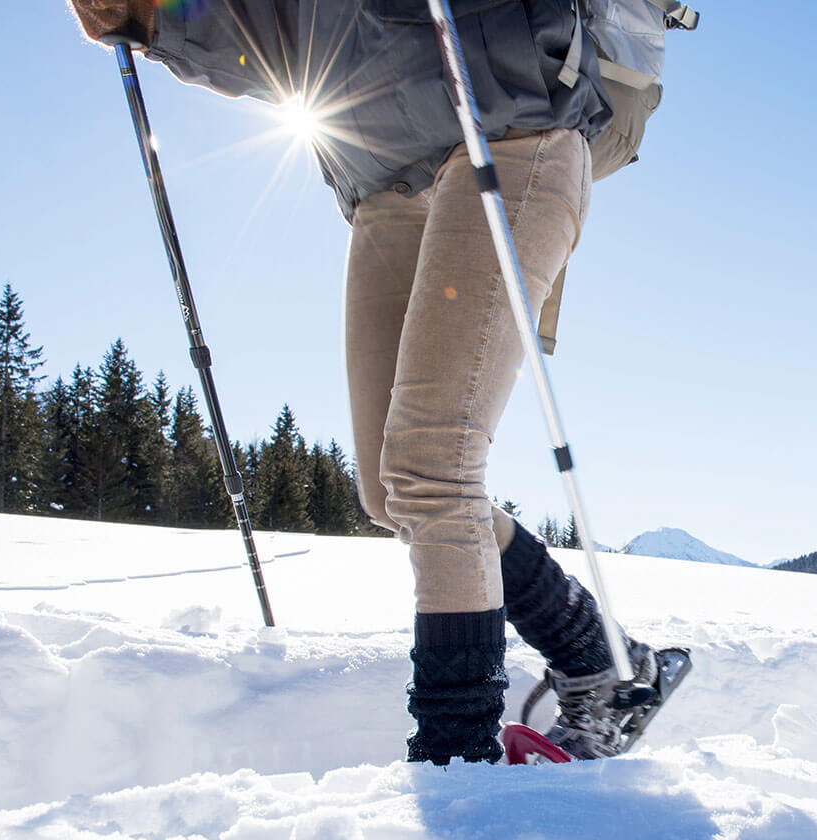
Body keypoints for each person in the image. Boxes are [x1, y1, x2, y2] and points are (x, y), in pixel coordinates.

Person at [69, 0, 688, 763]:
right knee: (392, 490)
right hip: (382, 184)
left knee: (434, 469)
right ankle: (604, 660)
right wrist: (152, 18)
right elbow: (272, 41)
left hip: (508, 130)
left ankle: (456, 765)